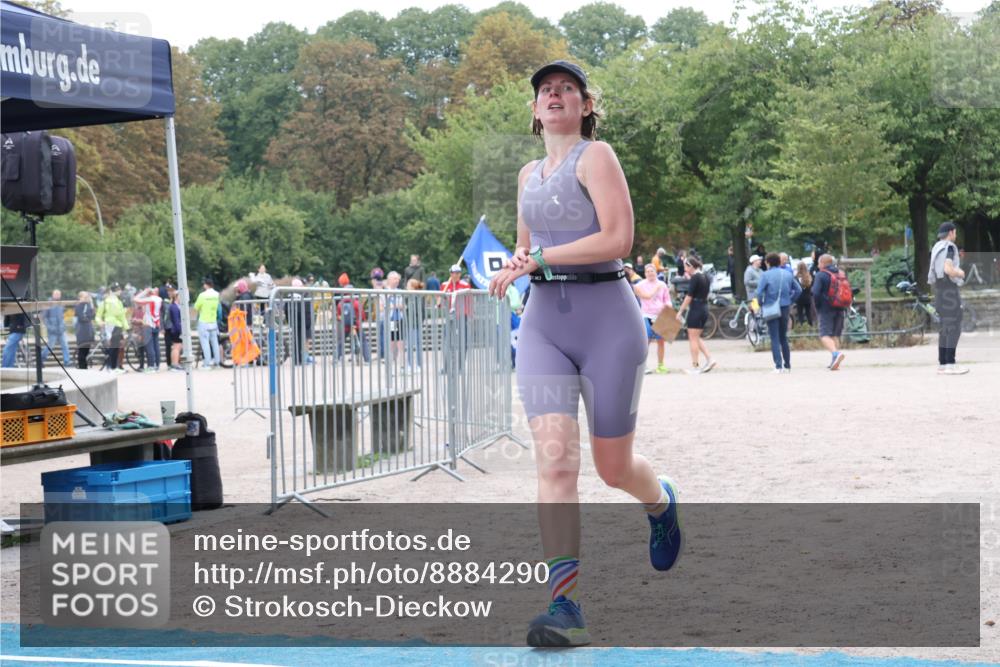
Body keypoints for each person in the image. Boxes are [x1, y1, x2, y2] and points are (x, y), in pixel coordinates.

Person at [488, 59, 681, 648]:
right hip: (544, 326)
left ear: (585, 105)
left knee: (612, 467)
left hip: (608, 322)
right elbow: (529, 249)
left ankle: (660, 500)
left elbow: (618, 240)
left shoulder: (597, 157)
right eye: (545, 89)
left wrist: (543, 259)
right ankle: (564, 604)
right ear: (533, 109)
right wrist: (517, 267)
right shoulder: (526, 175)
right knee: (555, 463)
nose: (554, 94)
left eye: (567, 88)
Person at [928, 221, 968, 374]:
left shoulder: (936, 247)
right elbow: (948, 269)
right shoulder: (950, 247)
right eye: (955, 232)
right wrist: (960, 273)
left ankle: (943, 364)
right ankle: (950, 364)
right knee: (954, 327)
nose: (956, 235)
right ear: (951, 232)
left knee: (945, 327)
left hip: (939, 290)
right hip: (950, 290)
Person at [756, 253, 802, 373]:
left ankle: (778, 366)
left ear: (768, 262)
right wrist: (790, 300)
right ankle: (787, 365)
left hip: (771, 307)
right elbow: (798, 290)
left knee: (774, 337)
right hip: (785, 307)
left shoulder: (765, 275)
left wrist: (761, 304)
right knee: (783, 337)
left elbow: (759, 293)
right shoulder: (787, 274)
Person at [676, 255, 716, 374]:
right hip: (704, 307)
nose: (684, 269)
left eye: (685, 266)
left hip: (696, 309)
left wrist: (680, 311)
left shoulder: (695, 278)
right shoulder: (706, 276)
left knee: (692, 338)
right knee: (696, 337)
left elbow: (689, 297)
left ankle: (695, 366)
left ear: (690, 266)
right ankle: (710, 359)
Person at [811, 254, 847, 370]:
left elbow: (815, 292)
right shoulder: (840, 274)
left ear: (822, 263)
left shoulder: (821, 275)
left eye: (818, 262)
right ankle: (835, 362)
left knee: (824, 335)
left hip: (826, 308)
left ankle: (836, 354)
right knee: (835, 335)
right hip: (840, 307)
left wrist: (817, 305)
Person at [634, 264, 671, 374]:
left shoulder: (662, 285)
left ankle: (660, 365)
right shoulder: (640, 285)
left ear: (656, 272)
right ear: (645, 274)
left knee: (661, 341)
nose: (650, 273)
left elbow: (667, 299)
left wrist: (669, 307)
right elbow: (646, 296)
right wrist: (656, 289)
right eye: (648, 271)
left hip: (660, 315)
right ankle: (643, 366)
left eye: (652, 271)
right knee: (647, 341)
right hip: (647, 315)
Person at [96, 283, 127, 372]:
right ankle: (112, 367)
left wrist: (125, 328)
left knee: (116, 348)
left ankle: (114, 367)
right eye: (117, 290)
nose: (119, 291)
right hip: (110, 325)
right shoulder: (105, 302)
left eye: (119, 289)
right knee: (113, 347)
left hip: (117, 326)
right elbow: (98, 315)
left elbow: (122, 317)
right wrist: (100, 322)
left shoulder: (119, 302)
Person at [193, 278, 221, 369]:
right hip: (213, 321)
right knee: (215, 343)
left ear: (206, 285)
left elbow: (196, 307)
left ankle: (207, 363)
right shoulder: (217, 294)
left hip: (204, 321)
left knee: (205, 343)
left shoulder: (202, 295)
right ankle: (217, 362)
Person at [133, 286, 163, 372]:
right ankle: (156, 365)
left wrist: (145, 291)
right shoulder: (159, 299)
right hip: (156, 324)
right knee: (156, 346)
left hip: (148, 324)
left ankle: (151, 366)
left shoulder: (150, 299)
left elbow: (135, 299)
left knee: (149, 346)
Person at [39, 290, 70, 366]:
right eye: (56, 294)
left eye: (59, 294)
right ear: (53, 295)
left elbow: (62, 317)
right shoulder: (48, 304)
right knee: (50, 347)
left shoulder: (61, 304)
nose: (57, 295)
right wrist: (50, 327)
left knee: (65, 345)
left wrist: (63, 326)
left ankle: (67, 362)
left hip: (61, 330)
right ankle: (41, 359)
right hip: (52, 330)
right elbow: (44, 318)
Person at [74, 291, 96, 369]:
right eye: (85, 297)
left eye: (87, 297)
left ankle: (85, 367)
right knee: (82, 352)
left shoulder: (89, 305)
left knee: (87, 350)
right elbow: (82, 317)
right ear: (80, 298)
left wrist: (92, 303)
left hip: (88, 331)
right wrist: (88, 317)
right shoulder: (79, 306)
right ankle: (82, 368)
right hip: (82, 331)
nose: (86, 298)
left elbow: (92, 315)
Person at [164, 289, 183, 370]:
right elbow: (176, 320)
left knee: (177, 347)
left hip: (175, 329)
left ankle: (175, 363)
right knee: (176, 347)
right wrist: (180, 331)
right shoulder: (174, 307)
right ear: (176, 297)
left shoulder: (175, 306)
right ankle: (174, 364)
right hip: (176, 330)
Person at [793, 261, 814, 327]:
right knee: (808, 313)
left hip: (799, 298)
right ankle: (811, 326)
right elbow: (811, 286)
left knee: (800, 313)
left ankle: (801, 326)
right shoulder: (809, 276)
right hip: (807, 297)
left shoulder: (796, 277)